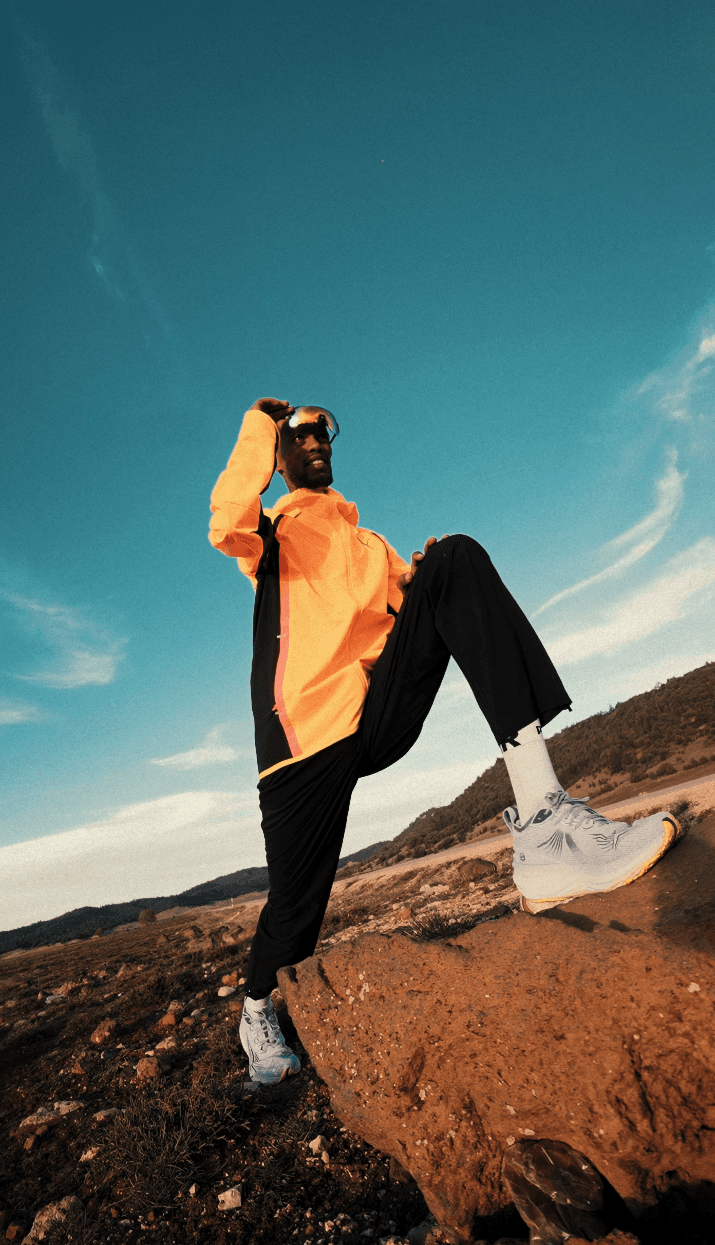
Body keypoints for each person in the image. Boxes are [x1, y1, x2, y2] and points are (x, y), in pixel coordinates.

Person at [209, 397, 683, 1084]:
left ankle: (545, 824)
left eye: (322, 429)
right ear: (277, 457)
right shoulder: (274, 531)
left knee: (454, 559)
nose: (314, 438)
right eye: (299, 432)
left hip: (372, 718)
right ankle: (256, 1011)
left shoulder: (369, 546)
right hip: (302, 744)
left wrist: (422, 577)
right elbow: (225, 518)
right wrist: (260, 420)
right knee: (293, 909)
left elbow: (416, 607)